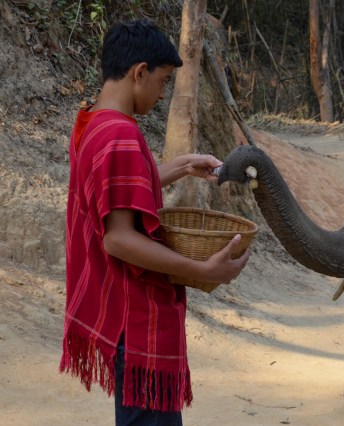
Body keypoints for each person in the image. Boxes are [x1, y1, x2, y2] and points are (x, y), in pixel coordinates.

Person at [59, 19, 250, 425]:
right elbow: (119, 240)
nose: (164, 94)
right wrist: (202, 269)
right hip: (137, 319)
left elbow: (114, 190)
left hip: (119, 314)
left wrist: (181, 167)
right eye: (163, 81)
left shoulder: (92, 124)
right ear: (139, 72)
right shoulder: (122, 136)